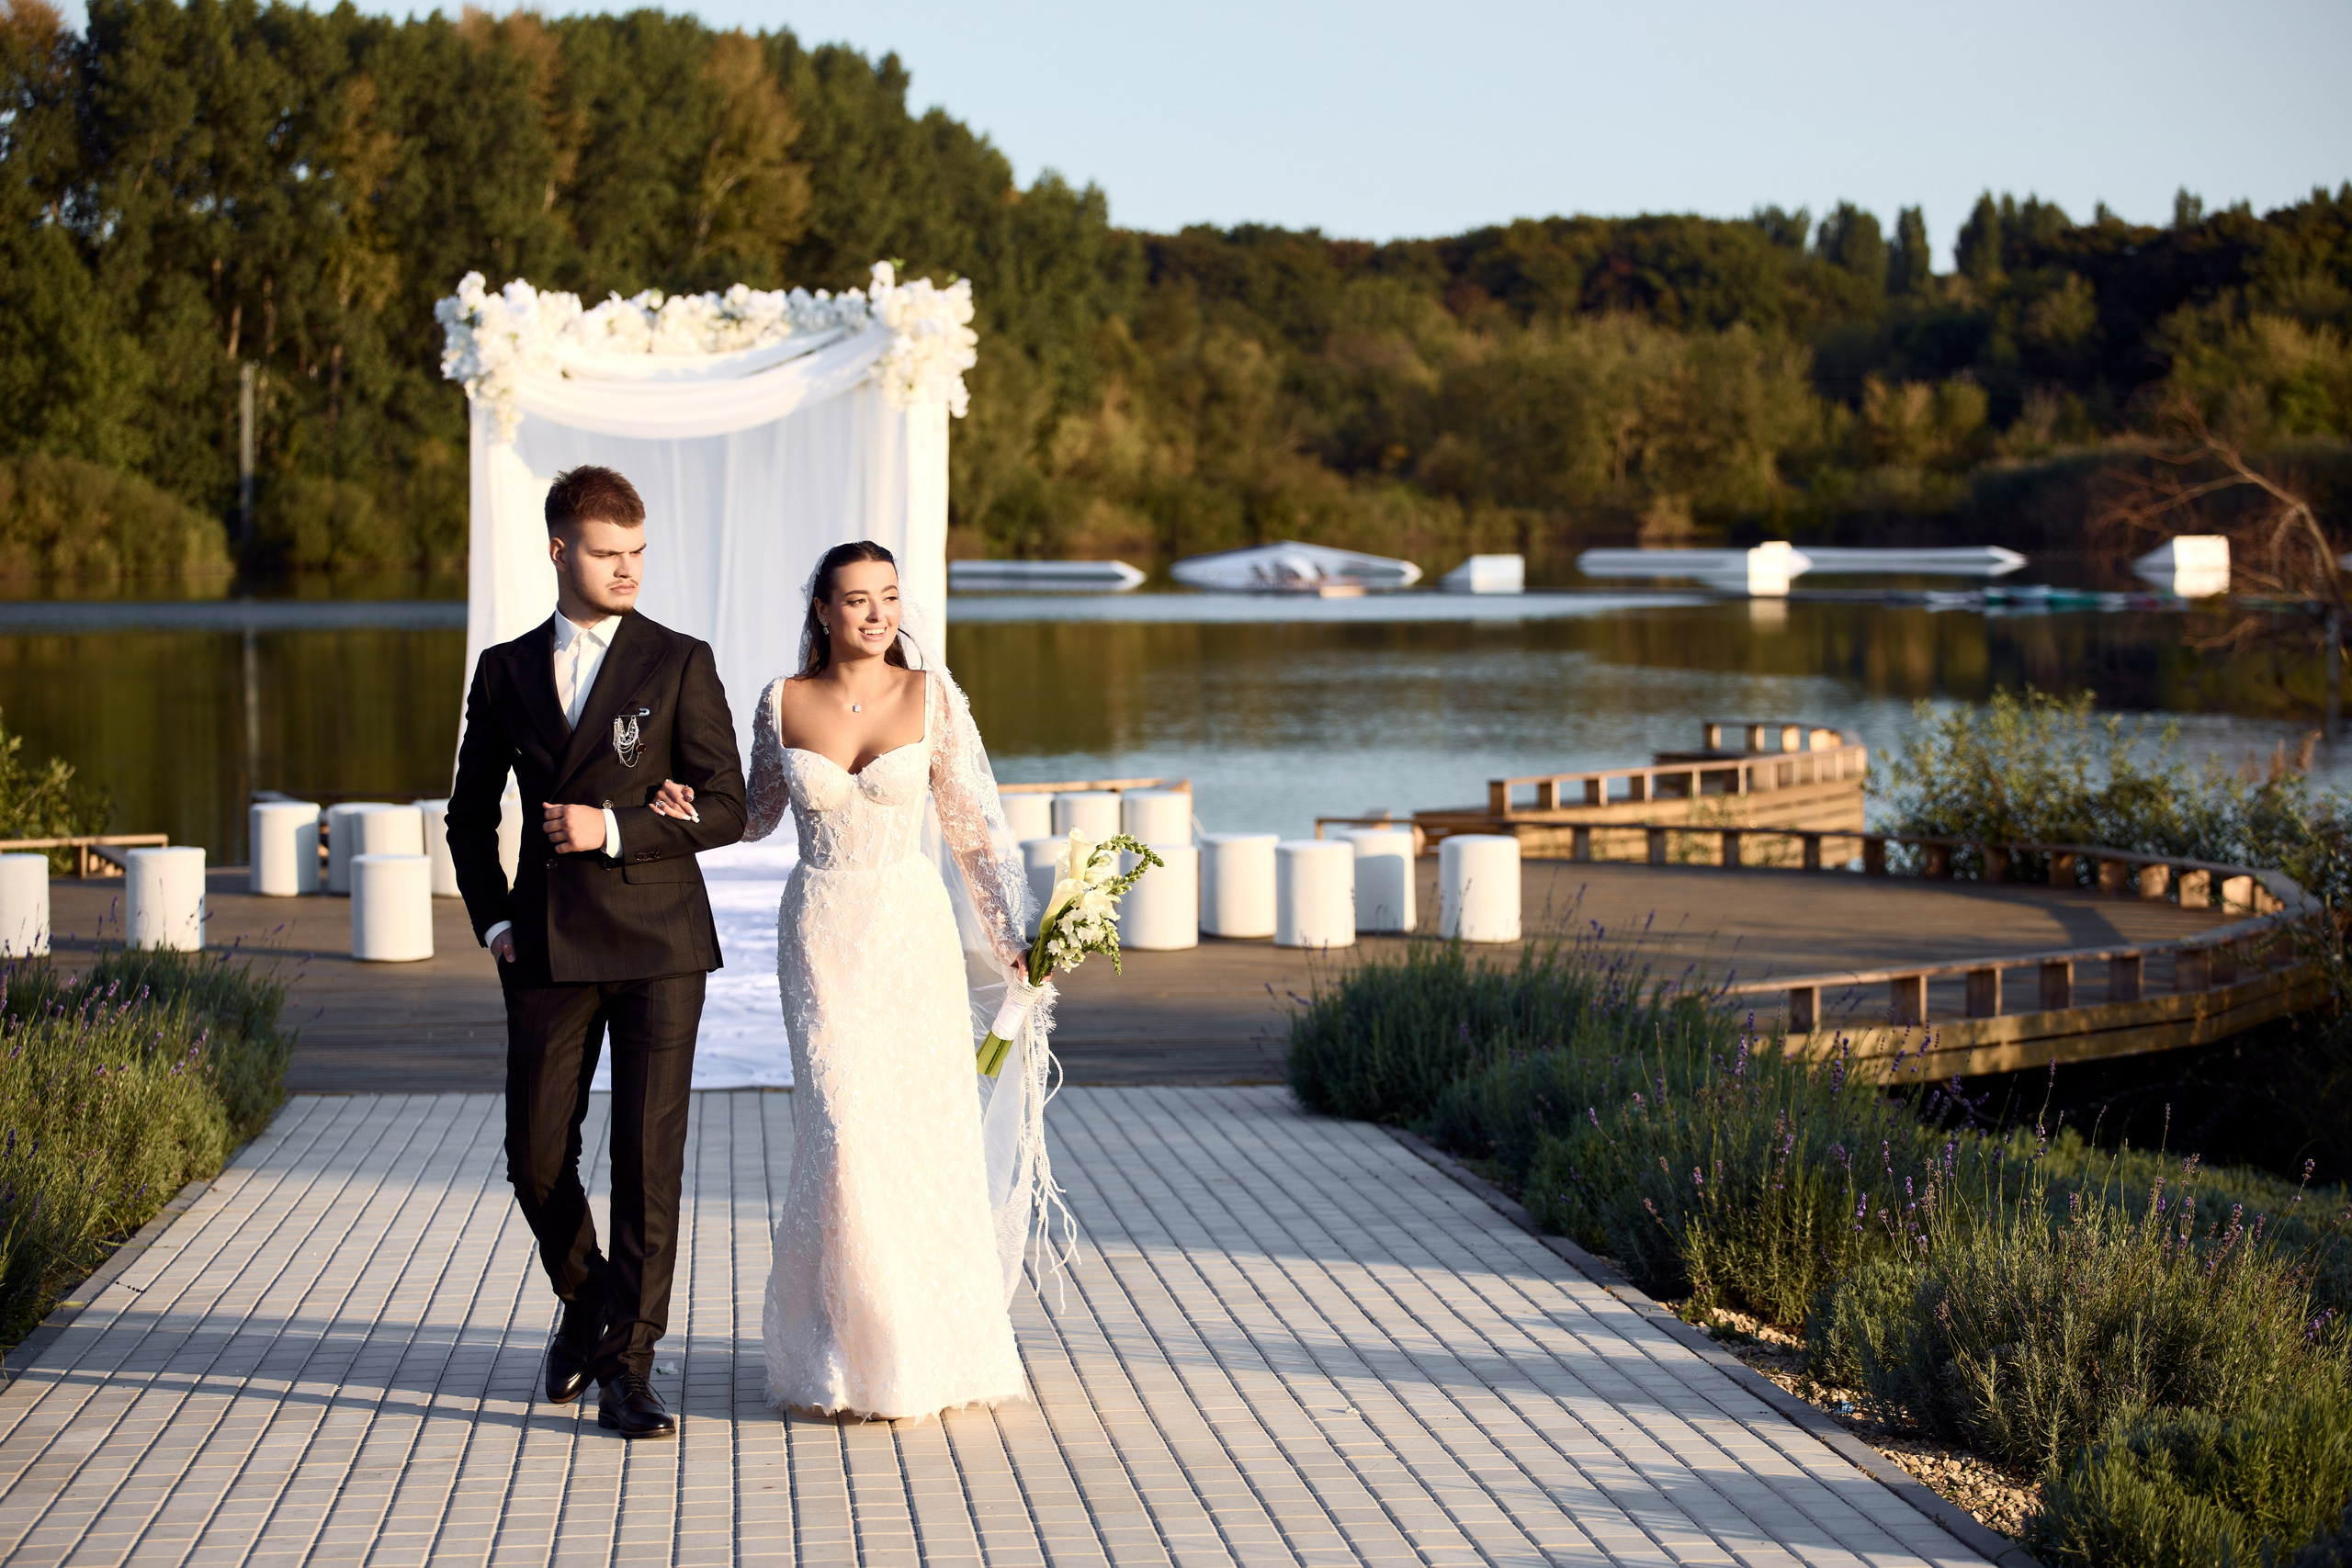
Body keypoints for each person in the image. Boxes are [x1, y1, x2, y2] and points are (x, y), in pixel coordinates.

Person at [654, 539, 1040, 1420]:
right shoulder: (781, 700)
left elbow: (970, 828)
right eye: (857, 598)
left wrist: (1008, 934)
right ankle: (843, 1347)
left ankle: (924, 1345)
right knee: (840, 1129)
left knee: (919, 1130)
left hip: (909, 931)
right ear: (821, 610)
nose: (877, 613)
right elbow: (755, 815)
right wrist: (685, 811)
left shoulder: (929, 696)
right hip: (824, 931)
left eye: (889, 596)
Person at [445, 465, 747, 1440]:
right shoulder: (503, 669)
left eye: (637, 552)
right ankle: (588, 1306)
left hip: (660, 941)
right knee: (534, 1157)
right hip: (541, 942)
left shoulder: (679, 660)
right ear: (558, 550)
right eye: (608, 553)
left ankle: (629, 1371)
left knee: (647, 1163)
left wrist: (614, 829)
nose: (627, 570)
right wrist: (493, 921)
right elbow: (465, 818)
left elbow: (727, 806)